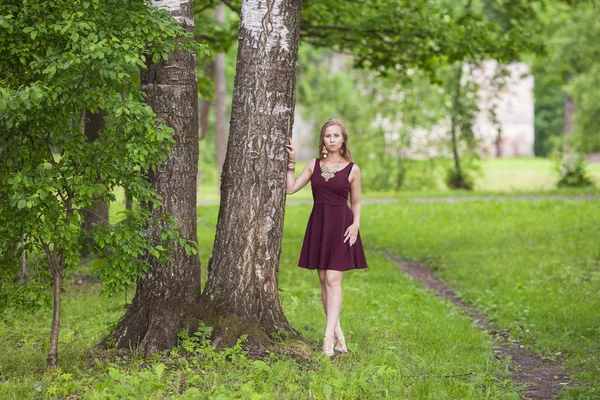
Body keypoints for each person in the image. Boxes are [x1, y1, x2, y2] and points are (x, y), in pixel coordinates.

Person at [285, 118, 368, 356]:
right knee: (323, 281)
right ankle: (339, 337)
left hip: (342, 225)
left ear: (343, 140)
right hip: (320, 224)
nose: (332, 140)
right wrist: (291, 163)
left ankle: (327, 339)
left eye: (336, 136)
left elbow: (357, 200)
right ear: (323, 139)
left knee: (333, 279)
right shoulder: (314, 164)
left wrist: (356, 224)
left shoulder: (353, 169)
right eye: (328, 135)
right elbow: (290, 189)